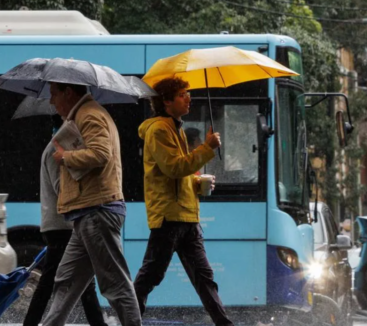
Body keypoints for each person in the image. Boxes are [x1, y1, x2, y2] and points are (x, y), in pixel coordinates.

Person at [133, 77, 233, 326]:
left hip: (187, 216)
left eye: (187, 93)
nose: (188, 98)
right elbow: (173, 168)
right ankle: (129, 320)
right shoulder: (158, 130)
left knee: (204, 277)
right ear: (166, 101)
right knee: (150, 277)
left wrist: (197, 183)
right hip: (168, 217)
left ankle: (224, 323)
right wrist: (207, 149)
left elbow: (181, 174)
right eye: (181, 94)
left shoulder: (175, 128)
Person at [40, 82, 141, 326]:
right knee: (66, 280)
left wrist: (66, 157)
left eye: (54, 94)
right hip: (87, 212)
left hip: (97, 211)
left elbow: (100, 153)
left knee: (115, 284)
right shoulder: (83, 115)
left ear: (69, 92)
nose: (52, 101)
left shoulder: (90, 114)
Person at [22, 114, 107, 326]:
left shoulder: (59, 151)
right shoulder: (54, 153)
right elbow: (63, 190)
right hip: (62, 225)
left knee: (84, 281)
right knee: (55, 280)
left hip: (65, 224)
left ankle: (98, 323)